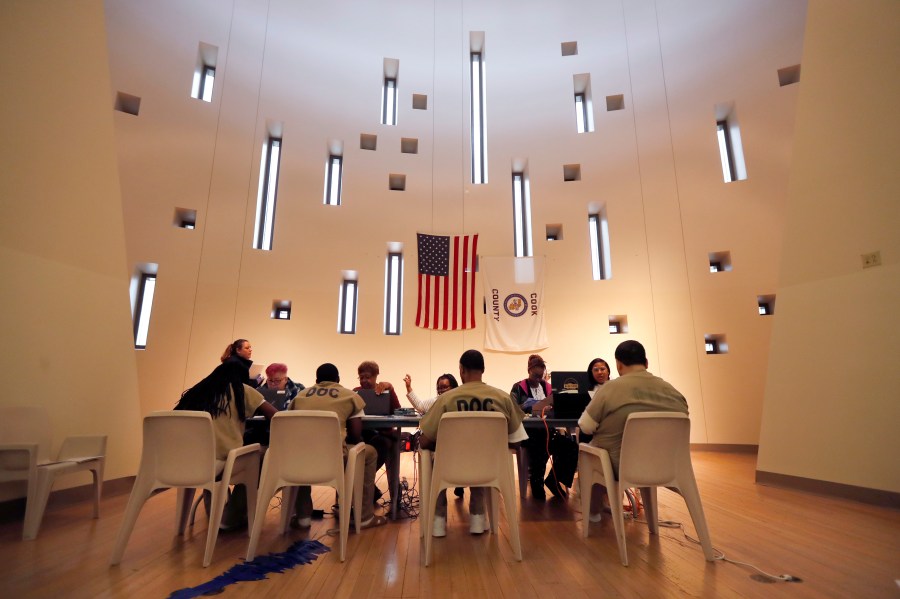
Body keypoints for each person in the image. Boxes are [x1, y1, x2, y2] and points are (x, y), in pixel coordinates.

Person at [578, 340, 689, 522]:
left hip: (620, 466)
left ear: (618, 365)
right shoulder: (673, 392)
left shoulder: (609, 389)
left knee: (590, 453)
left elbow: (586, 426)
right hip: (666, 464)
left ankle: (593, 512)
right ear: (646, 362)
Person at [420, 350, 527, 537]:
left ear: (461, 370)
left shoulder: (446, 399)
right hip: (489, 469)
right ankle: (478, 519)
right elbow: (517, 441)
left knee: (431, 456)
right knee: (480, 456)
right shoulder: (503, 398)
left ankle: (437, 522)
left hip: (448, 467)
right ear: (483, 369)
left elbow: (426, 439)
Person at [175, 360, 278, 531]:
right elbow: (276, 416)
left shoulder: (196, 391)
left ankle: (215, 510)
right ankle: (232, 516)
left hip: (189, 461)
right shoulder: (241, 390)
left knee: (212, 452)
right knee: (263, 455)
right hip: (223, 462)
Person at [288, 363, 386, 530]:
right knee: (369, 452)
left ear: (316, 380)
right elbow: (356, 434)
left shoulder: (300, 397)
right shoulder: (349, 396)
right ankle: (364, 516)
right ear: (338, 379)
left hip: (301, 459)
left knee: (302, 454)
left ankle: (303, 516)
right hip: (335, 458)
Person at [403, 372, 465, 498]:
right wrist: (409, 388)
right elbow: (420, 405)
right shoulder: (435, 402)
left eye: (444, 387)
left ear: (454, 387)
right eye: (439, 388)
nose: (441, 390)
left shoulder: (462, 402)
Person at [509, 354, 560, 500]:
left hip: (548, 431)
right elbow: (511, 409)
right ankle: (537, 483)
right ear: (528, 370)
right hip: (527, 433)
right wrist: (524, 406)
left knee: (570, 447)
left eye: (541, 376)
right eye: (535, 375)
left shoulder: (548, 387)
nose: (538, 379)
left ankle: (553, 480)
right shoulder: (518, 387)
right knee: (540, 442)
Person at [354, 361, 399, 502]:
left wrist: (391, 389)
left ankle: (362, 480)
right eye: (361, 377)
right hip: (364, 435)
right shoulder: (356, 392)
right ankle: (365, 486)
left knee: (380, 443)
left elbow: (397, 410)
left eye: (367, 377)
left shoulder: (385, 391)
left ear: (375, 377)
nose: (364, 381)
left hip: (383, 435)